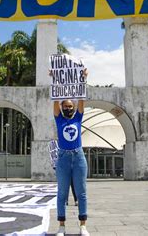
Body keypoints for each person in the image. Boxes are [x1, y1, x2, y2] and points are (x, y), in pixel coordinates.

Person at [52, 68, 89, 236]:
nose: (68, 108)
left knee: (81, 193)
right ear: (61, 107)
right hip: (63, 158)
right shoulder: (59, 118)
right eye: (65, 106)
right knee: (61, 193)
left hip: (78, 157)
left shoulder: (77, 118)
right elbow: (55, 99)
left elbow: (82, 99)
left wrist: (83, 80)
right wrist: (55, 82)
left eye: (70, 106)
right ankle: (61, 226)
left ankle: (83, 226)